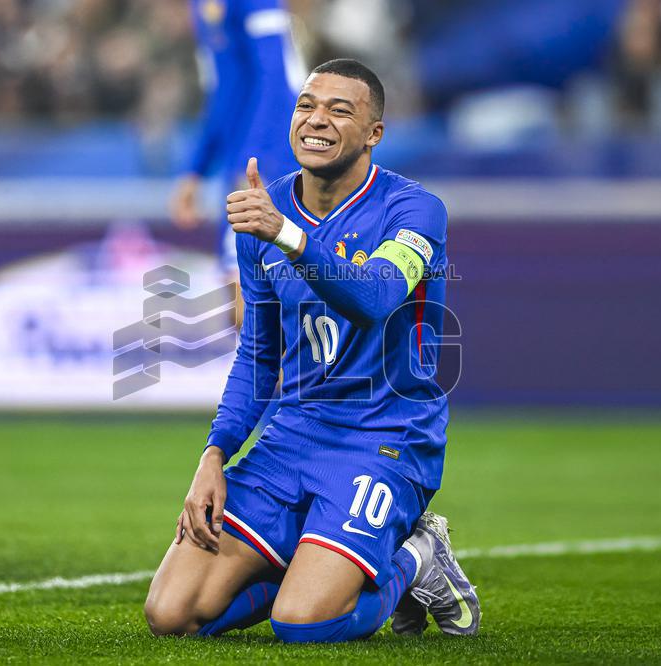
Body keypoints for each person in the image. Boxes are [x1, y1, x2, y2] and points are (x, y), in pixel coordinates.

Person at [145, 58, 479, 643]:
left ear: (374, 133)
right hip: (293, 434)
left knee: (306, 624)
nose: (316, 119)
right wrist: (214, 454)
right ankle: (309, 562)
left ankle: (418, 556)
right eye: (306, 105)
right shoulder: (267, 213)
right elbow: (258, 355)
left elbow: (376, 297)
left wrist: (287, 235)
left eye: (339, 110)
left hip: (385, 435)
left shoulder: (414, 210)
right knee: (172, 614)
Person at [171, 0, 303, 289]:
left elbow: (275, 79)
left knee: (256, 287)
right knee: (238, 287)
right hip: (238, 160)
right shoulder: (201, 5)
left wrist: (255, 159)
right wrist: (196, 169)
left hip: (274, 158)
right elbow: (222, 91)